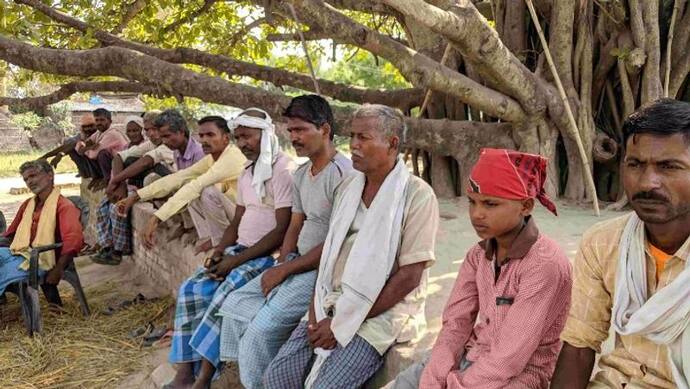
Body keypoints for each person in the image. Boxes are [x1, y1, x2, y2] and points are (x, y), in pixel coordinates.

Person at [263, 104, 439, 389]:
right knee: (276, 378)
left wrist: (343, 322)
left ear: (392, 144)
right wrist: (315, 310)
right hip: (331, 300)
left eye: (363, 138)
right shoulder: (349, 187)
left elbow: (410, 275)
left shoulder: (417, 196)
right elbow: (330, 253)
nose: (353, 145)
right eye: (352, 136)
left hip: (379, 312)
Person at [388, 148, 572, 389]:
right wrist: (434, 377)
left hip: (519, 376)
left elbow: (509, 358)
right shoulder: (477, 256)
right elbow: (455, 324)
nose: (477, 214)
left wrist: (455, 384)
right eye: (472, 203)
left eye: (490, 204)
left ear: (526, 206)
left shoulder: (544, 264)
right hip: (470, 358)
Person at [214, 95, 352, 389]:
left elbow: (336, 243)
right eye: (290, 131)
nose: (294, 137)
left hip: (321, 270)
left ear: (324, 129)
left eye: (301, 129)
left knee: (258, 331)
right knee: (236, 303)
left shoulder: (345, 175)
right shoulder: (302, 173)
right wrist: (282, 262)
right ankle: (254, 377)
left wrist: (286, 271)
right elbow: (295, 224)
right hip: (296, 262)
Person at [551, 99, 690, 389]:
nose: (648, 182)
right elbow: (579, 346)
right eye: (635, 164)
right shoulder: (603, 243)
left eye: (669, 166)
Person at [164, 108, 294, 389]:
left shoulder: (283, 170)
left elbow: (281, 230)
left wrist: (234, 263)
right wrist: (221, 250)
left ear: (266, 134)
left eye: (248, 136)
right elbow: (237, 219)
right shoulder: (247, 172)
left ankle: (204, 379)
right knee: (191, 288)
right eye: (238, 138)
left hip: (266, 257)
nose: (243, 143)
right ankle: (184, 372)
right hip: (240, 250)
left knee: (224, 294)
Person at [115, 116, 245, 254]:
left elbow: (196, 186)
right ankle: (214, 237)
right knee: (187, 183)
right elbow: (177, 178)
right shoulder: (212, 158)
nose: (204, 140)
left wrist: (156, 218)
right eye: (201, 135)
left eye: (210, 135)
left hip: (243, 217)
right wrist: (136, 196)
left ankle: (221, 240)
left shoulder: (231, 158)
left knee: (204, 190)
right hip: (234, 212)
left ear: (226, 138)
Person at [92, 113, 172, 265]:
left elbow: (144, 164)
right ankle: (107, 246)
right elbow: (118, 158)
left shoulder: (167, 146)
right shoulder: (148, 145)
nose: (151, 134)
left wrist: (115, 182)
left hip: (151, 191)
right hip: (132, 187)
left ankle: (119, 250)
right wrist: (119, 184)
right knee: (102, 207)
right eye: (148, 130)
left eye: (154, 129)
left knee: (118, 207)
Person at [0, 160, 83, 299]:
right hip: (23, 253)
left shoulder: (64, 206)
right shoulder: (28, 204)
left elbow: (73, 241)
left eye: (33, 176)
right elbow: (11, 234)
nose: (29, 182)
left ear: (50, 175)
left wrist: (58, 270)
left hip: (44, 260)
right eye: (26, 179)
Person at [75, 108, 129, 190]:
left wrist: (85, 149)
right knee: (95, 153)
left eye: (102, 120)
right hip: (111, 165)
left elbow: (93, 155)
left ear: (110, 121)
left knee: (102, 154)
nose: (99, 123)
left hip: (121, 166)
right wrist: (88, 147)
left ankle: (107, 180)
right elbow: (80, 146)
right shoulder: (99, 133)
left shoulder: (112, 134)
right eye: (97, 120)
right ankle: (97, 178)